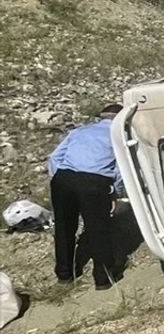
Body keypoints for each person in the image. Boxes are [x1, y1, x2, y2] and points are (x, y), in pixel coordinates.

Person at [48, 102, 125, 290]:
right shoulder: (119, 136)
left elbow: (54, 158)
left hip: (63, 178)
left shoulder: (80, 131)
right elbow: (120, 169)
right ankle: (103, 278)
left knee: (64, 227)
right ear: (120, 120)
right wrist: (115, 193)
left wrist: (60, 179)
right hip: (94, 182)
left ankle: (64, 274)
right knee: (99, 229)